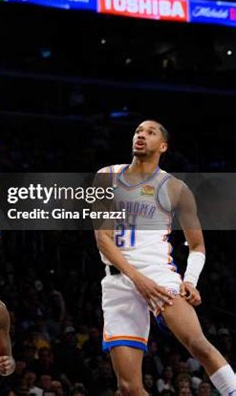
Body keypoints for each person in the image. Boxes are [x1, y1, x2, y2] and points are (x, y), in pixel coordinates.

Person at [94, 120, 236, 396]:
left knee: (198, 344)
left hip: (158, 275)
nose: (141, 135)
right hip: (119, 280)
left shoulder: (175, 188)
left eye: (150, 132)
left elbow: (197, 245)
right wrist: (139, 281)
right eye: (138, 131)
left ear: (163, 146)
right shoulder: (106, 176)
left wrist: (190, 280)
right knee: (128, 387)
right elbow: (103, 239)